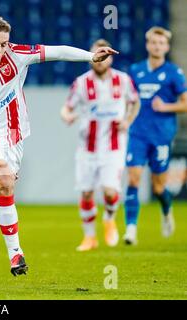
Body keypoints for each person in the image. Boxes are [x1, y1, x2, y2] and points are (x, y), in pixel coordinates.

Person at [0, 15, 118, 276]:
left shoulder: (16, 55)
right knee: (5, 179)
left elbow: (57, 51)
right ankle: (16, 255)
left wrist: (90, 56)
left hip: (14, 137)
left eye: (3, 44)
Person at [60, 39, 140, 251]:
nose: (101, 61)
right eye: (97, 56)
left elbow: (135, 102)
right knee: (86, 193)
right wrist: (66, 116)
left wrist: (128, 121)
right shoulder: (81, 82)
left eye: (105, 57)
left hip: (113, 146)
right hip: (87, 147)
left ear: (111, 58)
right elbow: (66, 108)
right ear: (91, 58)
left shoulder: (123, 80)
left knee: (110, 191)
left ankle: (109, 218)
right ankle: (90, 238)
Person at [123, 27, 187, 245]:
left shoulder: (174, 73)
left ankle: (167, 210)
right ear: (147, 44)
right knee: (133, 179)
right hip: (138, 134)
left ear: (167, 47)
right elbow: (128, 99)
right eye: (153, 42)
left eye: (161, 43)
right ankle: (131, 229)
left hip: (161, 136)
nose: (157, 46)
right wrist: (125, 118)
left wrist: (166, 106)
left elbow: (185, 104)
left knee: (158, 187)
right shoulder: (135, 70)